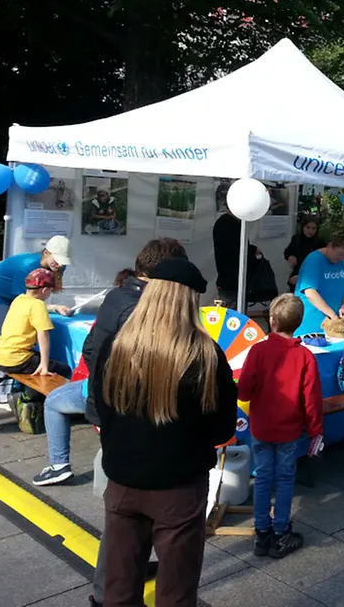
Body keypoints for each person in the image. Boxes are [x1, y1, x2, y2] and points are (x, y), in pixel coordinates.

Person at [94, 258, 237, 606]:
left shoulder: (117, 344)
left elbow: (101, 404)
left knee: (118, 587)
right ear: (189, 301)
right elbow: (222, 427)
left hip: (123, 481)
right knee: (176, 591)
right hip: (179, 488)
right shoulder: (206, 355)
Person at [81, 238, 188, 605]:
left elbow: (91, 350)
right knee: (126, 516)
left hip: (111, 416)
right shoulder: (140, 309)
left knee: (123, 513)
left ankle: (120, 577)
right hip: (132, 424)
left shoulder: (117, 295)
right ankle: (108, 587)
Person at [33, 239, 187, 489]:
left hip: (105, 397)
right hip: (133, 406)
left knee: (55, 402)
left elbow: (90, 349)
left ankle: (59, 465)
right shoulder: (158, 309)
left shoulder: (115, 298)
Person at [237, 294, 323, 559]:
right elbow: (312, 398)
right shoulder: (305, 356)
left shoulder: (258, 351)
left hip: (262, 427)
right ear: (298, 323)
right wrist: (316, 429)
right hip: (289, 430)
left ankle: (261, 531)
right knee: (285, 479)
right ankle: (281, 529)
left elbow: (244, 392)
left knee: (263, 478)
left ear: (271, 320)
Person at [0, 235, 72, 404]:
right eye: (57, 260)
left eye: (63, 262)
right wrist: (50, 308)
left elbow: (34, 300)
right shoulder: (27, 267)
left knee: (22, 338)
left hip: (18, 296)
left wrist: (54, 307)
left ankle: (18, 387)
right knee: (0, 337)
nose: (59, 265)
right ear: (46, 253)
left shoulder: (58, 267)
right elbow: (27, 301)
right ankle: (3, 395)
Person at [0, 269, 72, 395]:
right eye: (50, 291)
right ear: (45, 290)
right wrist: (44, 365)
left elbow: (33, 307)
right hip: (18, 360)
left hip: (2, 356)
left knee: (38, 358)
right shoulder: (38, 305)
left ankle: (24, 395)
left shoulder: (19, 299)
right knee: (64, 369)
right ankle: (34, 401)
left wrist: (55, 307)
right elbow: (43, 335)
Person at [293, 231, 344, 336]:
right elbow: (310, 292)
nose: (342, 258)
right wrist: (333, 316)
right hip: (311, 322)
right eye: (339, 254)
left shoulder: (342, 263)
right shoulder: (313, 260)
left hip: (332, 326)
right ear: (330, 246)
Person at [212, 208, 259, 309]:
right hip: (232, 277)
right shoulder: (227, 224)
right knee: (231, 312)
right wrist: (253, 250)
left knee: (232, 310)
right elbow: (235, 248)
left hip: (232, 277)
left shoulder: (227, 223)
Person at [283, 217, 325, 291]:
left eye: (313, 228)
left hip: (313, 274)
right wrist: (290, 256)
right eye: (308, 227)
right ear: (303, 227)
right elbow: (287, 251)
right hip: (297, 271)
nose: (310, 231)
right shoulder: (296, 239)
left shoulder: (320, 242)